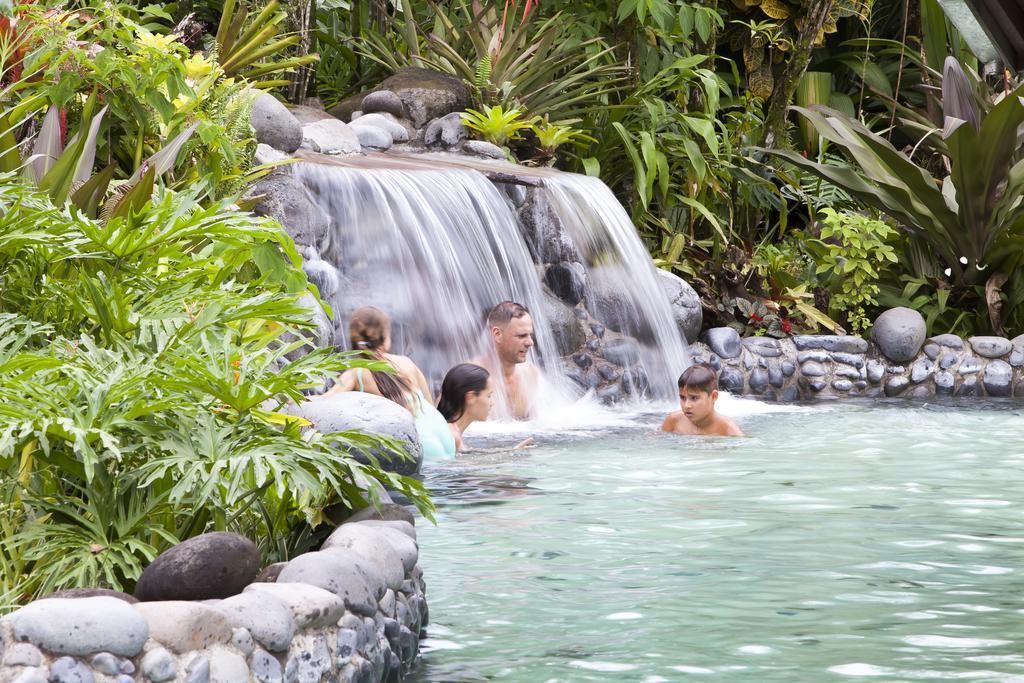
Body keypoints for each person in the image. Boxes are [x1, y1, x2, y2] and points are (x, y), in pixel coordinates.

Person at [325, 306, 457, 461]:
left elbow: (326, 400)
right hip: (447, 441)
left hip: (421, 451)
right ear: (385, 338)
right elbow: (430, 406)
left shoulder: (357, 374)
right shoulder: (407, 363)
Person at [437, 363, 535, 451]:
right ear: (470, 397)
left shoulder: (451, 432)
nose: (492, 403)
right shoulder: (452, 436)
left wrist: (512, 451)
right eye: (488, 396)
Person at [473, 301, 540, 420]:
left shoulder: (531, 374)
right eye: (521, 335)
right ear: (497, 334)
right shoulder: (468, 378)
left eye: (530, 335)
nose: (530, 342)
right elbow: (441, 427)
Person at [661, 363, 745, 437]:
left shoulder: (728, 430)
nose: (686, 405)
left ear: (714, 396)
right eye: (682, 397)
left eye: (694, 398)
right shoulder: (673, 421)